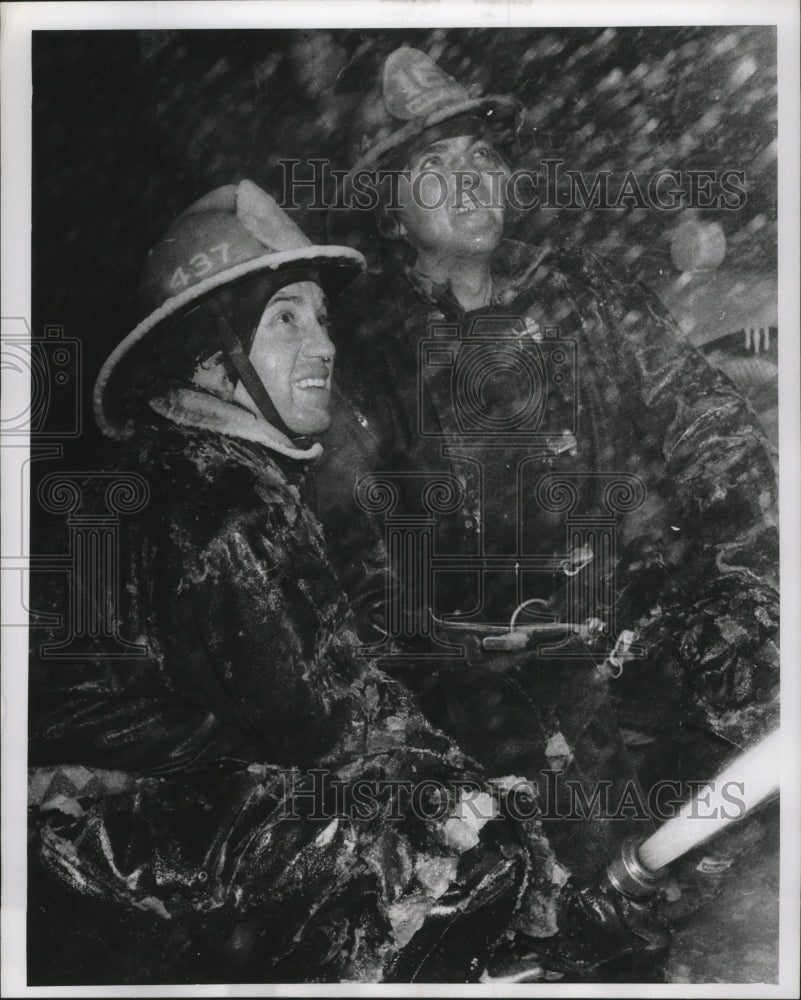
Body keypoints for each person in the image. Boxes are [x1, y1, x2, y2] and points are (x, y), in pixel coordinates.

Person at [27, 179, 664, 985]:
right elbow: (336, 728)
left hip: (85, 846)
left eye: (321, 320)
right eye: (283, 320)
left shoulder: (176, 471)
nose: (322, 344)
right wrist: (512, 833)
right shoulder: (219, 502)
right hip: (97, 862)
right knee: (428, 851)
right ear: (207, 356)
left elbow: (335, 668)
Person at [313, 46, 780, 876]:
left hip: (647, 636)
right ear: (387, 204)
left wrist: (739, 578)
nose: (469, 182)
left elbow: (707, 422)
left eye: (482, 158)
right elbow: (356, 562)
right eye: (433, 164)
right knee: (576, 904)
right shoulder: (360, 351)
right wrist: (462, 689)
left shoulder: (583, 291)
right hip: (493, 692)